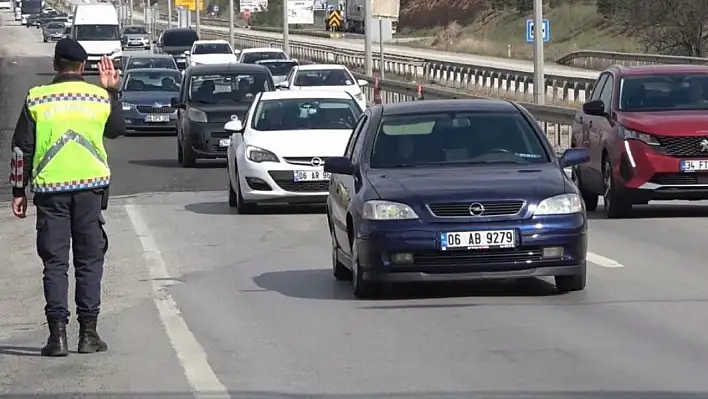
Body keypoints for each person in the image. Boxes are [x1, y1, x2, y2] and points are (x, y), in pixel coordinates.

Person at [8, 38, 125, 357]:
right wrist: (112, 90)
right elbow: (117, 129)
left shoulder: (37, 98)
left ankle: (57, 336)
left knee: (55, 263)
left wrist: (18, 191)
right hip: (90, 191)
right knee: (89, 261)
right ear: (83, 67)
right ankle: (88, 335)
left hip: (50, 192)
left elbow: (22, 149)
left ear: (55, 64)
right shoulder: (99, 97)